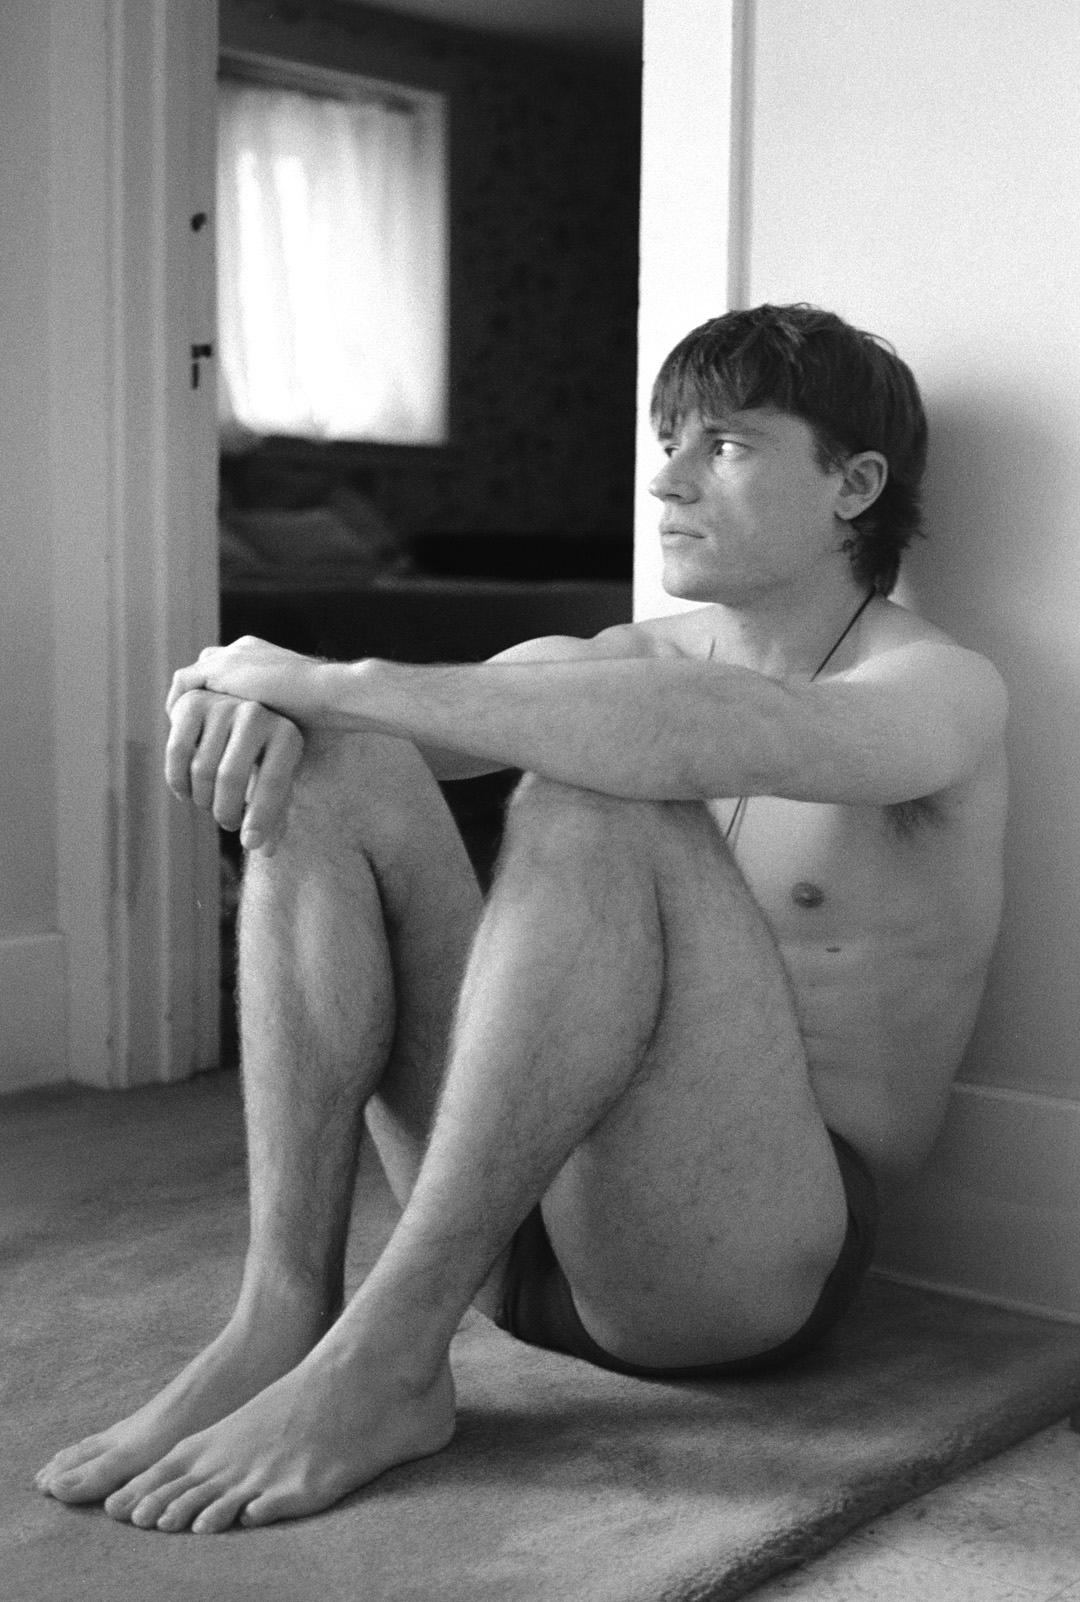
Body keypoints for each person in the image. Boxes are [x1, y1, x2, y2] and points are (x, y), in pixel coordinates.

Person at [36, 304, 1007, 1536]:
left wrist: (329, 679)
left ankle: (388, 1353)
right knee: (343, 764)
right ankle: (283, 1313)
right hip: (516, 1222)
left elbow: (724, 732)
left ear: (853, 486)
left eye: (726, 447)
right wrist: (262, 702)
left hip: (728, 1269)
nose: (667, 480)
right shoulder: (616, 654)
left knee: (601, 789)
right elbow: (396, 726)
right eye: (668, 442)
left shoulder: (939, 687)